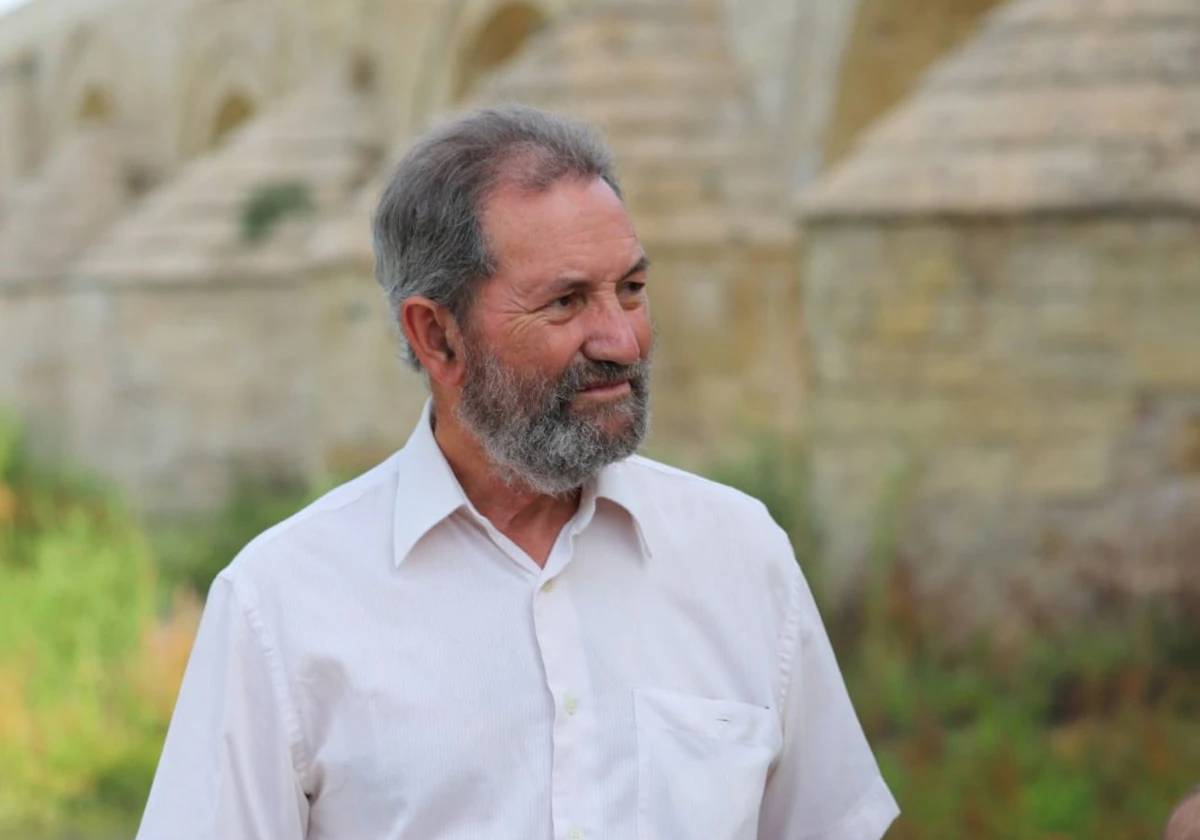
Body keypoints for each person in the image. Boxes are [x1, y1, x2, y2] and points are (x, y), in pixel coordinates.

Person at [135, 105, 899, 840]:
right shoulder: (283, 604)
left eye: (630, 289)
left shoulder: (740, 554)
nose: (623, 341)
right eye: (566, 302)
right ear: (437, 337)